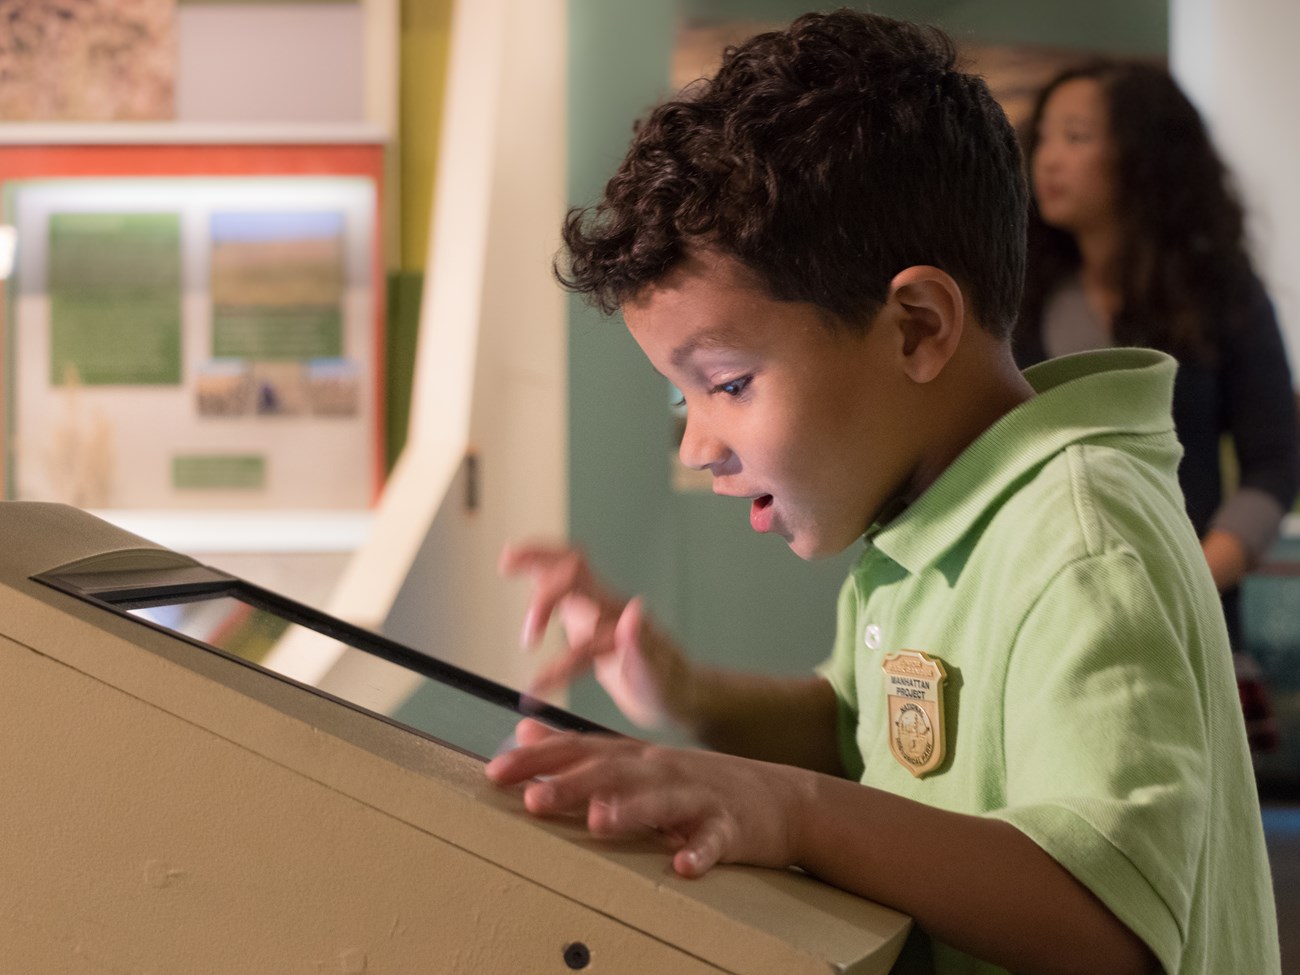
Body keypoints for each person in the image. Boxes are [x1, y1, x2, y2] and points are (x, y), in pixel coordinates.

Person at [485, 12, 1281, 974]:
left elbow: (1105, 917)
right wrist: (693, 697)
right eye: (680, 395)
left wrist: (788, 811)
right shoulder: (929, 520)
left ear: (914, 328)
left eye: (727, 384)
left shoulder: (1080, 540)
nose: (699, 443)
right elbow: (870, 738)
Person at [1014, 62, 1299, 722]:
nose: (1050, 159)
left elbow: (1273, 467)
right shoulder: (1016, 302)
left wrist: (1188, 579)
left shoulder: (1225, 297)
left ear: (1144, 156)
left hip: (1189, 620)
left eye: (1077, 136)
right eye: (1045, 138)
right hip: (1048, 615)